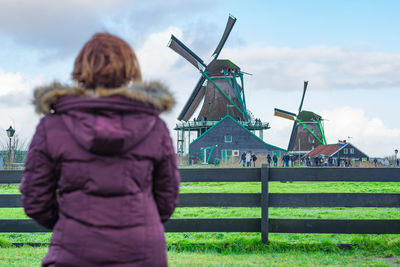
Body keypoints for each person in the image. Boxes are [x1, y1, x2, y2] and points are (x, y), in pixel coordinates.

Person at [20, 33, 180, 267]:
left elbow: (35, 199)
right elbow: (167, 198)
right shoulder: (155, 127)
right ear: (129, 70)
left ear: (81, 69)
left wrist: (72, 223)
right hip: (142, 253)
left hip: (74, 252)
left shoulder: (52, 126)